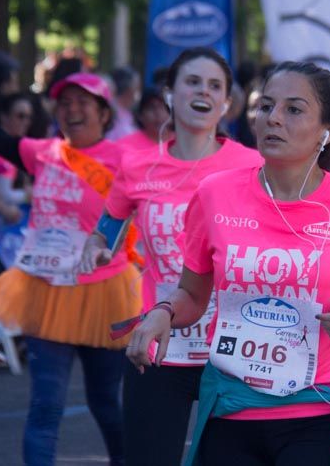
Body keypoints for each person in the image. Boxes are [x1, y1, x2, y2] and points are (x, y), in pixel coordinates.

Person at [126, 61, 330, 466]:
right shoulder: (215, 194)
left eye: (293, 109)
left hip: (319, 412)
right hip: (233, 409)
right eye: (266, 106)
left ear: (327, 132)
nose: (273, 118)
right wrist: (162, 314)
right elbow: (191, 293)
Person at [0, 54, 139, 466]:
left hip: (104, 294)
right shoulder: (42, 152)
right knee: (45, 407)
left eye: (83, 102)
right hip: (45, 291)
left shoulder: (127, 160)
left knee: (106, 403)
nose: (72, 109)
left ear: (104, 113)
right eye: (65, 103)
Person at [77, 48, 261, 466]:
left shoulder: (251, 166)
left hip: (234, 346)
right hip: (159, 342)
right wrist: (96, 247)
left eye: (215, 86)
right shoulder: (138, 166)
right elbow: (107, 226)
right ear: (169, 94)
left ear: (227, 103)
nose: (204, 91)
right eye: (193, 81)